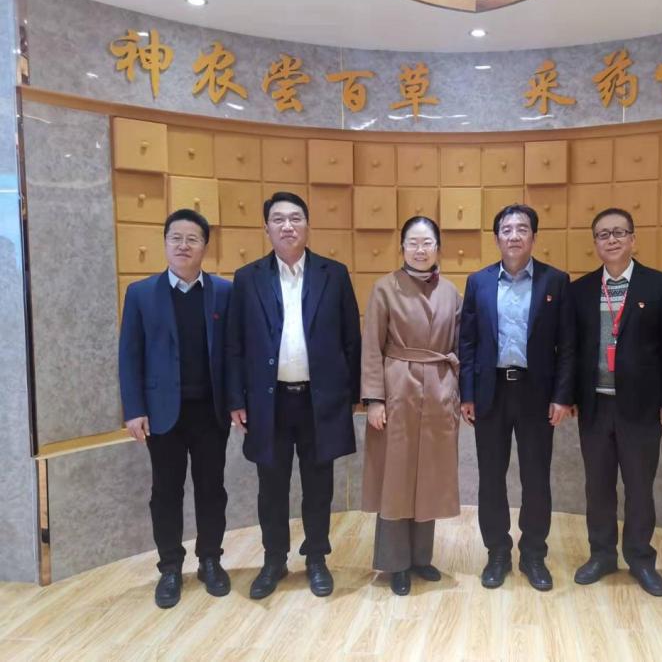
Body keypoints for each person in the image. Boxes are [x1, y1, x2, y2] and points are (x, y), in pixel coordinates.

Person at [225, 191, 361, 599]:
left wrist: (351, 396)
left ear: (307, 225)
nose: (288, 226)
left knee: (319, 485)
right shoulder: (247, 278)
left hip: (320, 402)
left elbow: (351, 339)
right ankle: (274, 560)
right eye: (279, 219)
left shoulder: (334, 274)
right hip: (269, 404)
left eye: (296, 218)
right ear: (266, 228)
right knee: (271, 486)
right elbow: (235, 344)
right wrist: (236, 399)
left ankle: (317, 558)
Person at [119, 209, 232, 609]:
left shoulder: (224, 292)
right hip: (161, 413)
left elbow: (234, 354)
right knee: (165, 491)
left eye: (192, 239)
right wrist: (134, 409)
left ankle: (210, 561)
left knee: (211, 489)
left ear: (205, 246)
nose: (184, 245)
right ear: (165, 243)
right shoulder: (141, 293)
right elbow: (129, 356)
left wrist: (237, 402)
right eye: (176, 238)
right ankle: (170, 567)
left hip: (210, 412)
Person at [459, 203, 575, 592]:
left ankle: (533, 554)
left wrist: (562, 396)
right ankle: (497, 553)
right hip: (490, 392)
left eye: (521, 229)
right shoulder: (478, 282)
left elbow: (567, 345)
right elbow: (468, 342)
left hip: (536, 394)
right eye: (506, 230)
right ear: (497, 238)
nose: (514, 236)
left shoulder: (555, 282)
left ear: (534, 237)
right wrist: (467, 393)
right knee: (491, 478)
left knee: (536, 478)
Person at [570, 208, 662, 597]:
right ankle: (602, 555)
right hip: (595, 406)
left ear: (633, 239)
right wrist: (570, 396)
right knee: (598, 486)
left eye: (619, 232)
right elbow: (571, 349)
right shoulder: (581, 290)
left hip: (642, 408)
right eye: (603, 234)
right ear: (595, 243)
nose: (612, 239)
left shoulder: (661, 286)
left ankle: (640, 558)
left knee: (639, 487)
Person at [361, 216, 462, 596]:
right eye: (413, 243)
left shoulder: (451, 292)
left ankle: (421, 557)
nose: (420, 250)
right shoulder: (384, 288)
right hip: (397, 389)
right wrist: (374, 399)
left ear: (438, 248)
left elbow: (462, 346)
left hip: (438, 390)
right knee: (397, 477)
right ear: (402, 247)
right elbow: (372, 347)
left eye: (427, 243)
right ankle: (396, 563)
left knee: (429, 476)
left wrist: (457, 391)